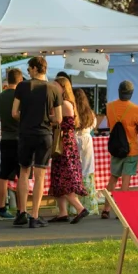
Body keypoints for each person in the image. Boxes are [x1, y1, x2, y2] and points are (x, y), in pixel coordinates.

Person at [12, 56, 63, 228]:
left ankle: (22, 212)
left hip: (26, 133)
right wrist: (47, 118)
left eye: (29, 69)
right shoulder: (54, 89)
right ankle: (34, 216)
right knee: (40, 175)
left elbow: (14, 113)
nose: (28, 72)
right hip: (44, 134)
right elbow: (59, 118)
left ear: (34, 68)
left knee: (24, 172)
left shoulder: (22, 86)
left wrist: (26, 118)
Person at [48, 76, 90, 224]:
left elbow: (62, 123)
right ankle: (63, 212)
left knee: (63, 179)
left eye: (55, 85)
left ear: (63, 88)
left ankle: (80, 208)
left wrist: (47, 118)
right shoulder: (63, 103)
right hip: (65, 144)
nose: (53, 88)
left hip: (64, 145)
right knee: (58, 177)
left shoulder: (65, 104)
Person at [101, 80, 138, 219]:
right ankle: (122, 210)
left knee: (113, 178)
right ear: (131, 93)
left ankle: (106, 209)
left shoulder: (109, 107)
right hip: (131, 149)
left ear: (119, 91)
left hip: (116, 148)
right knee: (126, 180)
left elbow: (110, 125)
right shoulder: (137, 109)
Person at [0, 68, 24, 221]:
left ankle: (1, 208)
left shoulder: (0, 97)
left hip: (5, 138)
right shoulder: (21, 96)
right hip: (20, 138)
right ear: (20, 80)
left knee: (3, 174)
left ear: (8, 78)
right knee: (22, 175)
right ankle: (21, 210)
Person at [73, 88, 100, 217]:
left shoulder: (73, 112)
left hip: (74, 139)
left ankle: (75, 207)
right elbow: (93, 125)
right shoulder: (90, 113)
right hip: (87, 140)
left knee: (74, 171)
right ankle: (91, 205)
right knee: (87, 170)